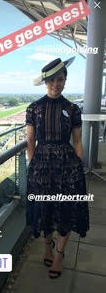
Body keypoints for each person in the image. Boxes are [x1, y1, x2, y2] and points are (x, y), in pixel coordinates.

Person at [26, 57, 89, 279]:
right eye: (52, 80)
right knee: (46, 209)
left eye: (60, 79)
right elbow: (30, 141)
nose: (56, 84)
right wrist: (34, 168)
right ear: (46, 82)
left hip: (67, 168)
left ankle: (59, 254)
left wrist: (79, 166)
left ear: (65, 80)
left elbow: (78, 141)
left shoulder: (72, 109)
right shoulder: (33, 108)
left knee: (66, 210)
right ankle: (47, 245)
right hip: (41, 168)